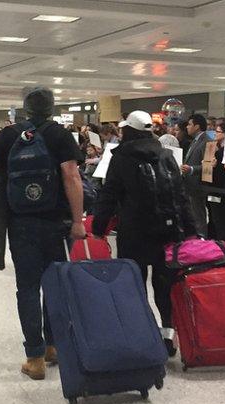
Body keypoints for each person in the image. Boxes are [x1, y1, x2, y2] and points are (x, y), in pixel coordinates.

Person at [0, 87, 85, 381]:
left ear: (24, 109)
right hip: (54, 222)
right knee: (53, 284)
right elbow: (72, 176)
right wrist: (78, 221)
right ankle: (52, 347)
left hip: (20, 223)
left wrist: (7, 178)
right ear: (51, 109)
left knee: (27, 288)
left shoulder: (9, 135)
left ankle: (34, 357)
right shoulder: (60, 135)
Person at [92, 110, 197, 356]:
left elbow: (110, 194)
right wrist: (190, 229)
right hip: (167, 231)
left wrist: (99, 227)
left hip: (135, 232)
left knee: (134, 284)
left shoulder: (122, 157)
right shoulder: (166, 155)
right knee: (165, 285)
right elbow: (180, 195)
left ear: (128, 130)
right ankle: (168, 335)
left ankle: (141, 334)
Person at [179, 114, 211, 236]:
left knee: (198, 217)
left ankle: (201, 241)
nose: (187, 127)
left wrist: (191, 169)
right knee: (192, 217)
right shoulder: (195, 141)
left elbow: (208, 166)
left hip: (198, 185)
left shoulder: (208, 141)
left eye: (189, 124)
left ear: (197, 126)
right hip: (189, 185)